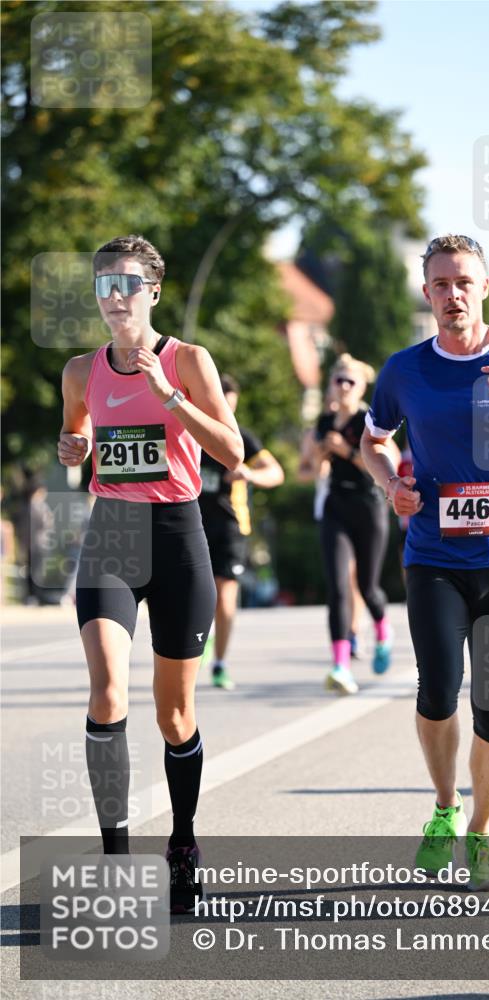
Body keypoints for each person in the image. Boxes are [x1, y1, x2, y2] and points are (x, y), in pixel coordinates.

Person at [361, 234, 489, 889]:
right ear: (426, 293)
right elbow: (373, 442)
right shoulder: (403, 369)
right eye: (440, 284)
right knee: (436, 690)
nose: (453, 294)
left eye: (464, 283)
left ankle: (480, 832)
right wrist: (390, 482)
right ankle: (445, 809)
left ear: (484, 288)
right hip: (432, 556)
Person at [58, 234, 244, 913]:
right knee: (108, 694)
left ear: (153, 292)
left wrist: (169, 396)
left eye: (127, 284)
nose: (114, 297)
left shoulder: (188, 360)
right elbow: (77, 442)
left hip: (176, 536)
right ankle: (115, 859)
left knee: (173, 715)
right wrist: (72, 449)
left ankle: (185, 841)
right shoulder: (81, 370)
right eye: (104, 284)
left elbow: (231, 451)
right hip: (112, 533)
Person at [301, 354, 396, 694]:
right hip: (335, 506)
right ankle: (340, 665)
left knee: (368, 588)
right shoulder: (323, 424)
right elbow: (307, 469)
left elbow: (391, 463)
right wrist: (319, 459)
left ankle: (383, 631)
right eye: (338, 380)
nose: (342, 387)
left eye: (349, 382)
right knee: (339, 587)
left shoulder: (369, 422)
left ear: (362, 387)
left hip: (368, 506)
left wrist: (346, 452)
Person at [199, 374, 284, 689]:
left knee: (226, 595)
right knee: (195, 595)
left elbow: (276, 472)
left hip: (232, 527)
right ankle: (201, 636)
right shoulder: (188, 432)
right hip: (190, 523)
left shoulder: (241, 438)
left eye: (229, 408)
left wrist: (248, 473)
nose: (224, 415)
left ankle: (220, 663)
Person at [298, 378, 366, 658]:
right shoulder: (316, 431)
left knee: (354, 577)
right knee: (342, 576)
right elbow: (302, 472)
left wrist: (344, 451)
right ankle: (346, 636)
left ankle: (354, 630)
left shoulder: (361, 421)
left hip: (360, 504)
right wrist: (318, 461)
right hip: (327, 504)